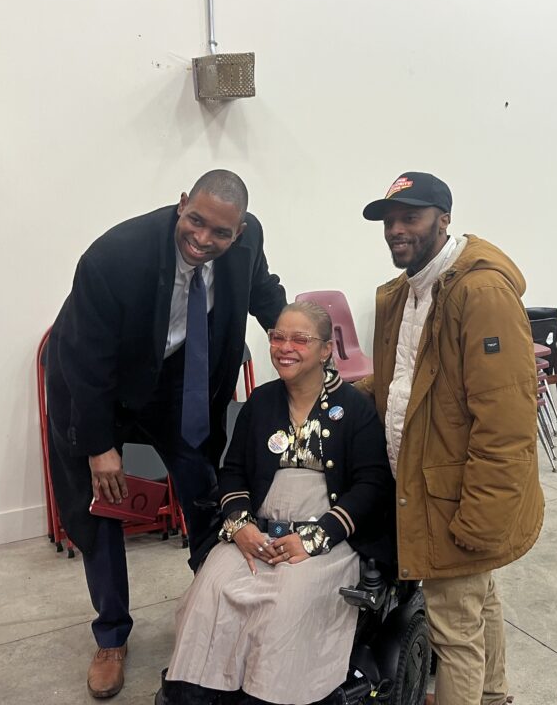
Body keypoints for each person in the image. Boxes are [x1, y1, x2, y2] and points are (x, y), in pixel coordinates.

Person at [45, 169, 286, 699]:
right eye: (195, 221)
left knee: (206, 492)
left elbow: (264, 294)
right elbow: (84, 360)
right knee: (102, 506)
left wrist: (295, 339)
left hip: (176, 382)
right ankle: (111, 637)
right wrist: (99, 446)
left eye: (219, 233)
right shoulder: (115, 255)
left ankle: (218, 605)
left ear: (239, 231)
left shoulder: (248, 244)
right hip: (97, 387)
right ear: (181, 205)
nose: (202, 240)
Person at [356, 172, 545, 705]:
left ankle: (477, 692)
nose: (396, 230)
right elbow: (404, 381)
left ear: (444, 219)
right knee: (476, 600)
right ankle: (492, 694)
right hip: (422, 480)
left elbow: (507, 419)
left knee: (453, 633)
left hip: (454, 496)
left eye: (409, 218)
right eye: (389, 221)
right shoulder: (405, 292)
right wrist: (344, 390)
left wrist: (483, 518)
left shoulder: (480, 293)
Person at [159, 301, 395, 705]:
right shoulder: (261, 402)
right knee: (208, 593)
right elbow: (232, 472)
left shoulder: (355, 410)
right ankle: (196, 693)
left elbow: (372, 485)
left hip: (326, 542)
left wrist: (315, 538)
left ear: (325, 350)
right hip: (258, 534)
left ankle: (267, 695)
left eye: (299, 339)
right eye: (277, 337)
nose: (285, 347)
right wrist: (240, 525)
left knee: (286, 606)